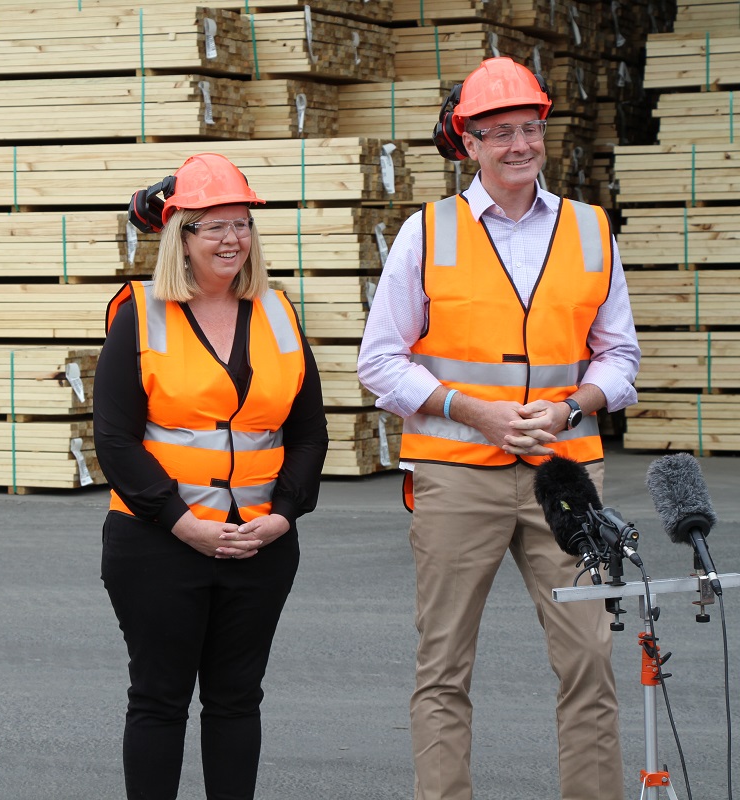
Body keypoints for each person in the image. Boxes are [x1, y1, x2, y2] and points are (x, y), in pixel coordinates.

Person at [357, 57, 641, 800]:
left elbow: (622, 357)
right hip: (457, 476)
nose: (520, 144)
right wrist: (471, 409)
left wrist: (571, 406)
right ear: (468, 143)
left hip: (566, 473)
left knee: (590, 663)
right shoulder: (426, 234)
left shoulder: (589, 229)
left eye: (530, 127)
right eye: (501, 132)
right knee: (443, 666)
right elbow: (379, 362)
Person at [95, 153, 329, 799]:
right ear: (182, 237)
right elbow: (113, 440)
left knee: (236, 701)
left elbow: (309, 432)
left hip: (260, 544)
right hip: (157, 544)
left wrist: (283, 515)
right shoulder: (140, 314)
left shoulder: (278, 311)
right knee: (160, 699)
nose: (232, 239)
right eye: (214, 226)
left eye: (242, 224)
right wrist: (182, 523)